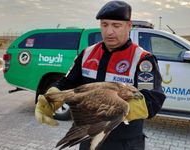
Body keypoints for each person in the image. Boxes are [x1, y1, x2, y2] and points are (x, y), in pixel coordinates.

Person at [36, 1, 166, 150]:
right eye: (104, 25)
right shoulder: (87, 53)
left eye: (116, 25)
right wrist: (51, 97)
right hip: (89, 137)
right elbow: (67, 82)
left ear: (129, 26)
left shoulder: (143, 60)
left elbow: (151, 100)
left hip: (125, 143)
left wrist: (112, 111)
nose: (109, 31)